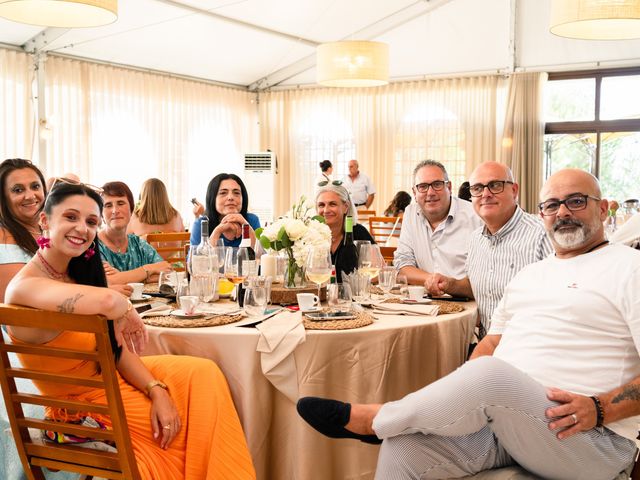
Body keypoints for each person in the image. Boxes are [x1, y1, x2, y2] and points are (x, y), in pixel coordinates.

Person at [297, 168, 640, 480]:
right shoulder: (531, 274)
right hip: (509, 426)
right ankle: (391, 427)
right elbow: (491, 342)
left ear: (604, 208)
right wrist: (463, 401)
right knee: (404, 449)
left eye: (576, 202)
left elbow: (490, 372)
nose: (562, 212)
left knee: (491, 374)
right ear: (542, 214)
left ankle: (378, 420)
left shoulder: (630, 267)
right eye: (552, 205)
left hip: (589, 436)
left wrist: (600, 408)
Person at [4, 181, 256, 479]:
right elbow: (111, 299)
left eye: (90, 222)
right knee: (186, 424)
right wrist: (124, 309)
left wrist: (155, 390)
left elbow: (115, 349)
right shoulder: (24, 287)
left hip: (109, 382)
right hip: (81, 407)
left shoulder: (75, 273)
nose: (82, 229)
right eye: (70, 217)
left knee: (205, 374)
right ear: (45, 221)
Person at [426, 162, 552, 337]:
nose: (485, 194)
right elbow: (476, 286)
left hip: (529, 347)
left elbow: (561, 301)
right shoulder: (476, 238)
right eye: (477, 188)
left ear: (514, 190)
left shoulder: (542, 234)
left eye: (495, 186)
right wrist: (450, 284)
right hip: (487, 344)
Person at [394, 160, 482, 284]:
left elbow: (484, 275)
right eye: (423, 186)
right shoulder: (410, 214)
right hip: (423, 299)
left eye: (437, 184)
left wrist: (449, 286)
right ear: (414, 192)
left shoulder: (475, 216)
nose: (430, 193)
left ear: (449, 187)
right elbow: (402, 265)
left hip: (467, 300)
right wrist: (433, 281)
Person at [98, 181, 172, 284]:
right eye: (108, 205)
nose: (115, 210)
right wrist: (149, 269)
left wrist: (122, 277)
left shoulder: (139, 244)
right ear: (101, 213)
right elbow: (106, 281)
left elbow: (167, 272)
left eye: (120, 203)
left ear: (131, 209)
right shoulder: (94, 247)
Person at [0, 159, 47, 302]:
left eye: (35, 186)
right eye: (18, 190)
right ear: (4, 198)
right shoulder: (3, 238)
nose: (30, 196)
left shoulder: (52, 230)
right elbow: (16, 305)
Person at [315, 181, 374, 280]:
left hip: (353, 294)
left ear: (346, 207)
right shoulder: (310, 234)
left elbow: (377, 269)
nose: (326, 210)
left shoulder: (359, 232)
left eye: (332, 204)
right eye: (321, 205)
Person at [190, 173, 260, 248]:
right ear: (213, 198)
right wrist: (217, 231)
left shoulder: (252, 220)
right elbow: (194, 258)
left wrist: (245, 225)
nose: (230, 197)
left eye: (236, 193)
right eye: (223, 193)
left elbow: (259, 255)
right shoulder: (201, 224)